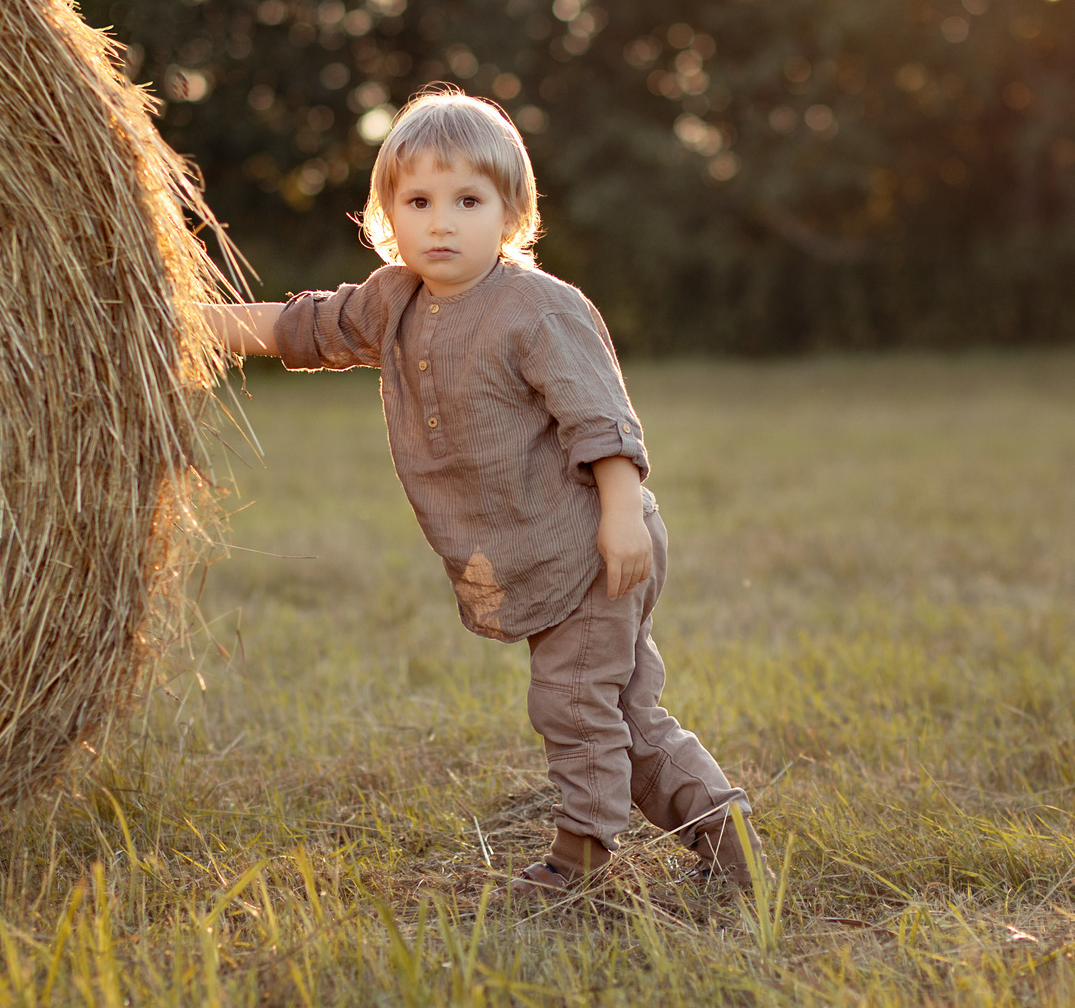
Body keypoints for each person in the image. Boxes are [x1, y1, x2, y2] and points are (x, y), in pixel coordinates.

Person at [205, 86, 760, 897]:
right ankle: (725, 830)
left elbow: (600, 417)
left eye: (467, 200)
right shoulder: (392, 301)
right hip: (535, 550)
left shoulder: (538, 307)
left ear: (509, 213)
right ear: (387, 216)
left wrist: (618, 516)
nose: (441, 221)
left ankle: (580, 861)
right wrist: (185, 323)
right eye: (419, 201)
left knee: (573, 704)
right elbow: (303, 327)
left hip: (592, 543)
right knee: (625, 715)